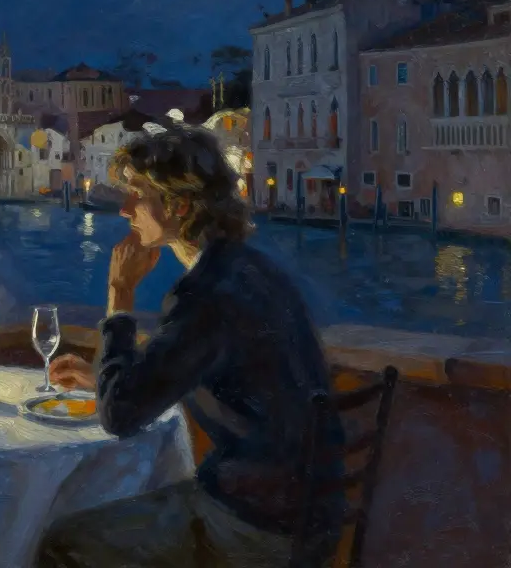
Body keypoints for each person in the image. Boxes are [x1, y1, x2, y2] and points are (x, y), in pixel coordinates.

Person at [35, 125, 345, 568]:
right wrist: (107, 381)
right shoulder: (246, 272)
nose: (124, 210)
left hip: (252, 528)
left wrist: (119, 297)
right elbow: (178, 375)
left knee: (63, 542)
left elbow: (120, 415)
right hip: (308, 519)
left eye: (137, 194)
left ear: (179, 205)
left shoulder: (206, 295)